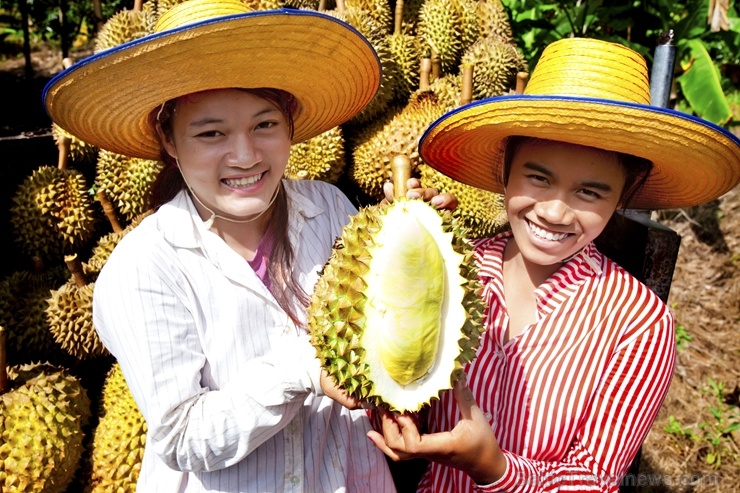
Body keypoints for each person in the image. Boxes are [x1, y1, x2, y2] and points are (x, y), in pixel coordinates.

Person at [43, 1, 456, 491]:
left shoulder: (331, 210)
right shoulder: (143, 268)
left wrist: (416, 246)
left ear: (290, 122)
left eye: (265, 125)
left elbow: (384, 338)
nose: (245, 156)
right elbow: (181, 437)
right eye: (211, 133)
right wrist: (304, 370)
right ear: (168, 139)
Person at [367, 37, 740, 492]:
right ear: (505, 169)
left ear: (626, 191)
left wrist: (495, 468)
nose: (555, 212)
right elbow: (398, 375)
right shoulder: (453, 268)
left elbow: (596, 478)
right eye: (538, 178)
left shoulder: (639, 324)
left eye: (590, 192)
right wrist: (403, 247)